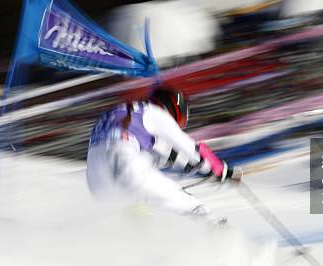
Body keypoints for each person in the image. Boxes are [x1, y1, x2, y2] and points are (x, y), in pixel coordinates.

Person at [86, 87, 238, 223]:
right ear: (174, 109)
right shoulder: (154, 113)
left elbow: (166, 154)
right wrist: (220, 169)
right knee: (193, 207)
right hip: (126, 168)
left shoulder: (121, 113)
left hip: (96, 183)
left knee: (140, 214)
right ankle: (223, 238)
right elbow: (191, 150)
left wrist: (198, 168)